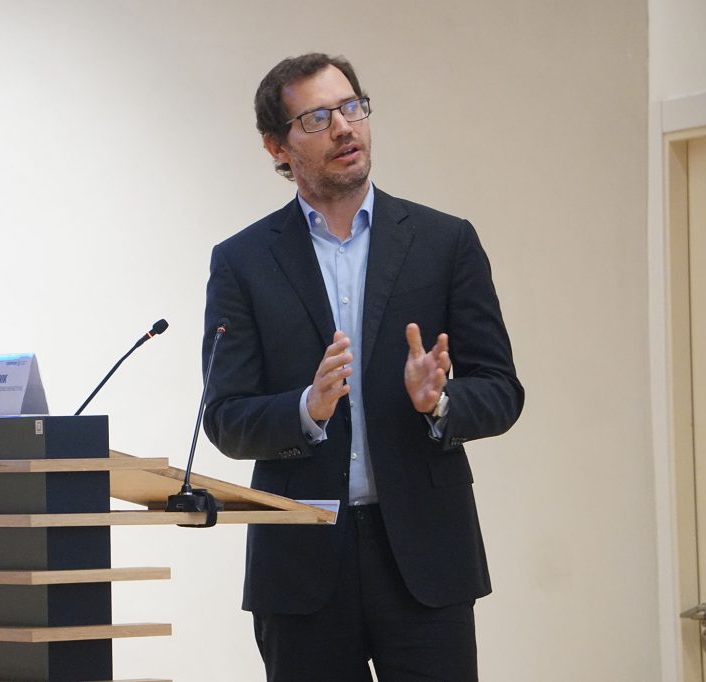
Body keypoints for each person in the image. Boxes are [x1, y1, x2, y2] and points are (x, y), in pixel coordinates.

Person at [201, 53, 524, 681]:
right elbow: (226, 417)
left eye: (352, 107)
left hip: (427, 558)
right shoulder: (242, 262)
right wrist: (307, 408)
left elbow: (502, 390)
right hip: (301, 566)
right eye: (317, 118)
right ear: (277, 146)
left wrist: (440, 401)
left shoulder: (444, 242)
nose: (345, 127)